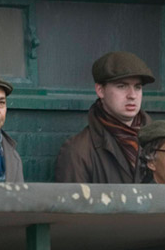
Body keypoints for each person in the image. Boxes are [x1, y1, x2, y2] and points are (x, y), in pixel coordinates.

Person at [55, 51, 154, 183]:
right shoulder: (78, 151)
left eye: (138, 87)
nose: (132, 95)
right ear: (100, 90)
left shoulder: (158, 143)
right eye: (122, 86)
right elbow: (73, 203)